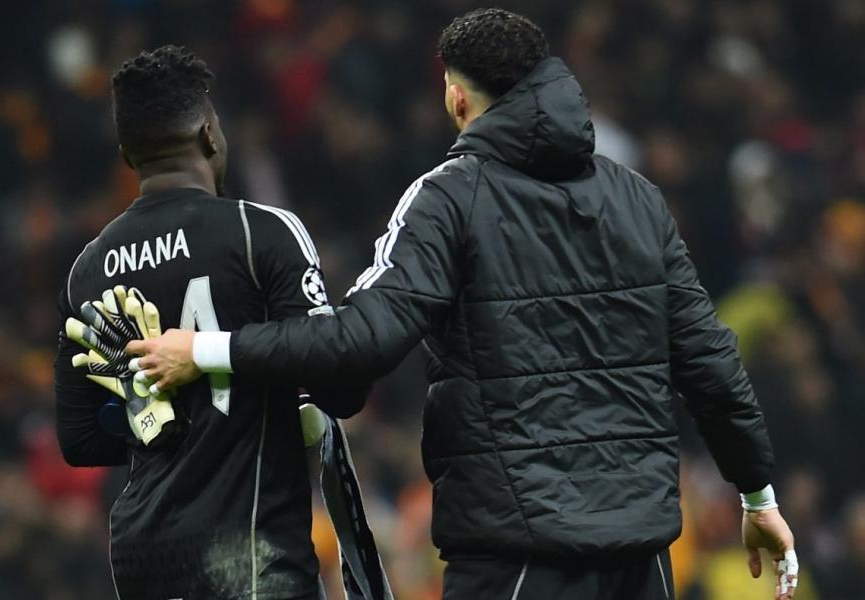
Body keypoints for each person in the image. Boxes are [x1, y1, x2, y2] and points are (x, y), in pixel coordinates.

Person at [128, 10, 798, 600]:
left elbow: (362, 342)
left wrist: (209, 350)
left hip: (517, 554)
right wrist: (756, 494)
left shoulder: (449, 198)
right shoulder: (637, 198)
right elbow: (709, 361)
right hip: (641, 559)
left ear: (455, 95)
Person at [54, 45, 365, 600]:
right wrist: (250, 395)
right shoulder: (260, 232)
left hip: (142, 557)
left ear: (128, 155)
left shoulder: (89, 269)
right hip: (248, 555)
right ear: (209, 136)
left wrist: (144, 410)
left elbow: (79, 439)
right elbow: (341, 381)